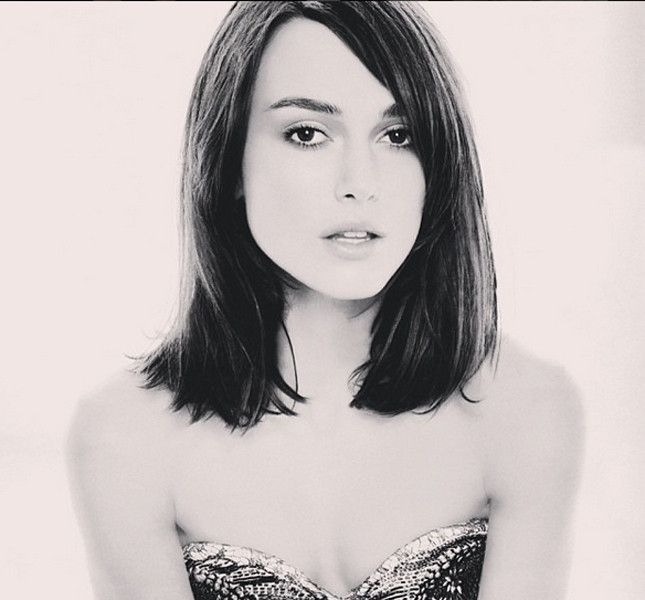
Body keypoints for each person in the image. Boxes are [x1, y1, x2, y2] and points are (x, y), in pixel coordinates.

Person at [66, 2, 584, 599]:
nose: (359, 182)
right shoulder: (125, 437)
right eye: (307, 134)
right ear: (230, 163)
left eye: (398, 134)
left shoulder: (525, 410)